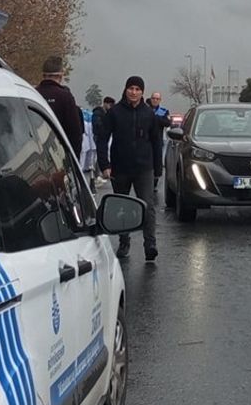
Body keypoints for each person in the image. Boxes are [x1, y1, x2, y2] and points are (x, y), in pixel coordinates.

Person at [96, 76, 164, 261]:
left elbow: (156, 142)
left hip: (144, 168)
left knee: (147, 205)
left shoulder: (149, 114)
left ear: (142, 92)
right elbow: (102, 138)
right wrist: (105, 165)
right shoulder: (115, 113)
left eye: (137, 89)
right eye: (131, 88)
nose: (134, 92)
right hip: (120, 168)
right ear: (126, 90)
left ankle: (150, 243)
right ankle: (124, 241)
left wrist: (158, 169)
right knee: (122, 206)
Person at [35, 56, 83, 159]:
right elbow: (74, 132)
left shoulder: (33, 93)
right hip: (59, 156)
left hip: (35, 154)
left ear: (43, 75)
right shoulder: (65, 96)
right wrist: (75, 159)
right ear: (61, 75)